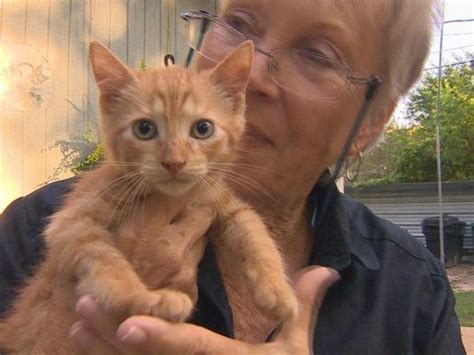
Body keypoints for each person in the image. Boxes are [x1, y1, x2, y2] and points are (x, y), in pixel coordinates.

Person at [0, 0, 466, 353]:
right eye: (238, 23)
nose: (253, 75)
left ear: (371, 121)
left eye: (317, 54)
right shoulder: (31, 224)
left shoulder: (412, 290)